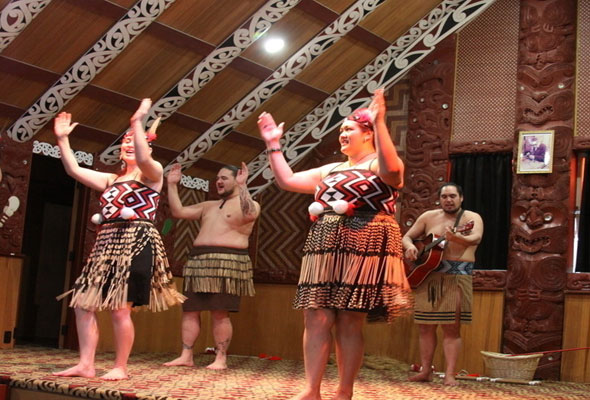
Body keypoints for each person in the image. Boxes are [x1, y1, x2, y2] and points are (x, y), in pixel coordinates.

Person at [257, 88, 413, 400]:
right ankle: (311, 389)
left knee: (348, 318)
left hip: (365, 241)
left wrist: (380, 121)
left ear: (367, 134)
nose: (342, 134)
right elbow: (287, 181)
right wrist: (273, 145)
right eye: (340, 129)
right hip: (326, 243)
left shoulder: (377, 164)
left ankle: (344, 391)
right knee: (315, 315)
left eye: (349, 128)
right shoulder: (331, 169)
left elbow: (394, 172)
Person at [53, 99, 185, 380]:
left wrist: (137, 123)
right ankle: (86, 364)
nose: (129, 145)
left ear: (146, 147)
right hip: (106, 244)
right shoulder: (111, 180)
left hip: (136, 241)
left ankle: (120, 367)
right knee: (82, 304)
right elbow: (74, 170)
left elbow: (144, 157)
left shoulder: (152, 174)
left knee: (119, 309)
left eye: (134, 142)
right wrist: (63, 140)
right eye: (124, 142)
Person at [163, 162, 260, 370]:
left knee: (219, 312)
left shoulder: (249, 204)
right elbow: (179, 211)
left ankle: (220, 358)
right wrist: (171, 184)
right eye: (217, 178)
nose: (219, 181)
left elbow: (250, 214)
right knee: (190, 310)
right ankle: (186, 355)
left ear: (237, 180)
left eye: (224, 178)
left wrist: (243, 186)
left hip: (227, 262)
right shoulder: (208, 206)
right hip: (198, 261)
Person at [402, 183, 483, 386]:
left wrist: (457, 237)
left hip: (457, 277)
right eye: (444, 196)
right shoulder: (428, 217)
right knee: (425, 327)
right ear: (439, 199)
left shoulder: (471, 218)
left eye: (452, 196)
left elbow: (476, 237)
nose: (448, 200)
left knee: (451, 328)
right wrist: (410, 246)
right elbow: (407, 236)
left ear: (461, 198)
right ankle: (425, 371)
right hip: (428, 276)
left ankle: (449, 374)